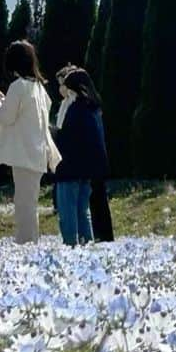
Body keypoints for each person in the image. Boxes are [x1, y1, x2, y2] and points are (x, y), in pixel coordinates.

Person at [0, 41, 62, 243]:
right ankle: (31, 242)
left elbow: (7, 118)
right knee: (30, 202)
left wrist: (0, 103)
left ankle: (26, 244)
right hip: (38, 153)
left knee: (23, 204)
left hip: (24, 153)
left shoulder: (18, 87)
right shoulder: (39, 88)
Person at [56, 64, 114, 241]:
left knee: (68, 213)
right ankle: (86, 248)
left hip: (69, 169)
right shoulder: (93, 108)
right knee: (83, 211)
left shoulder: (76, 109)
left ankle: (72, 247)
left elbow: (65, 138)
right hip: (87, 171)